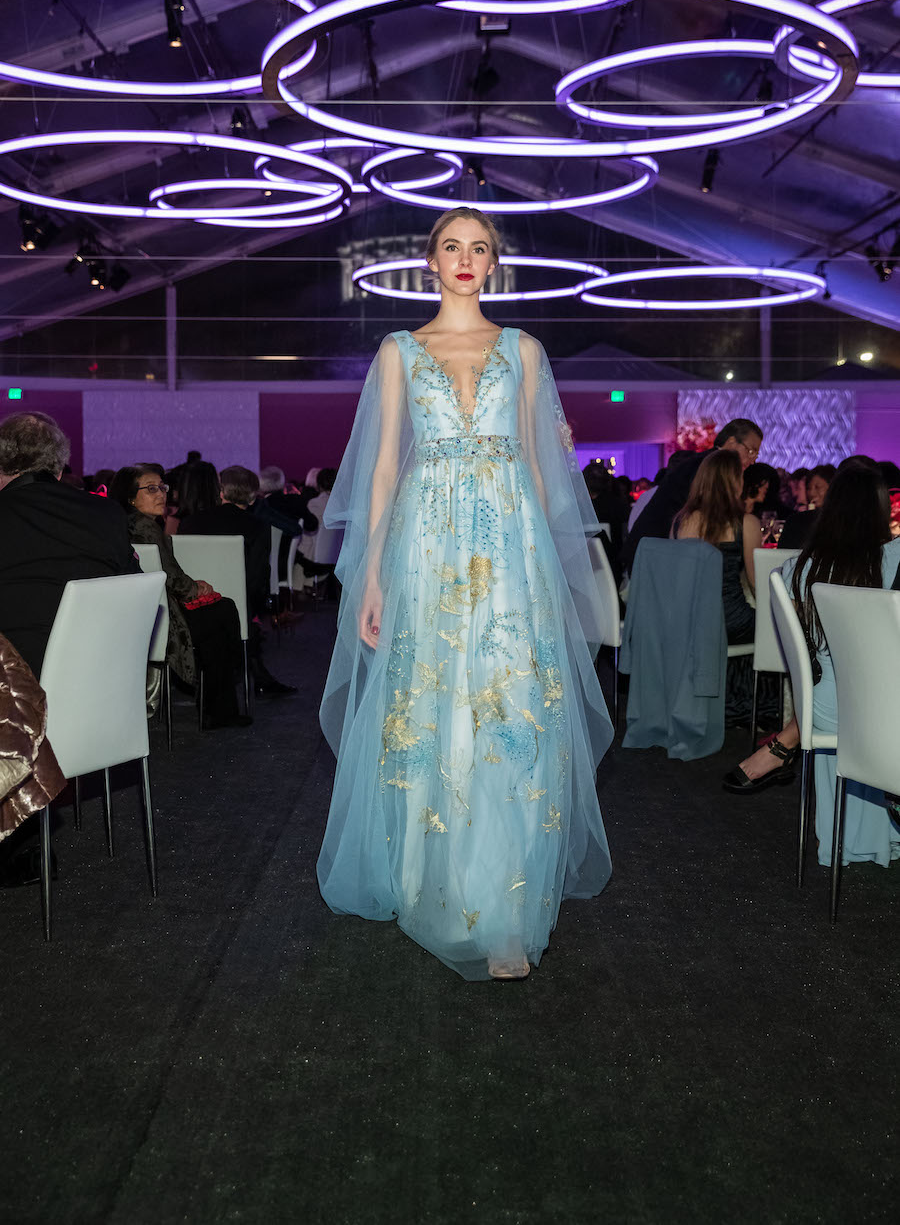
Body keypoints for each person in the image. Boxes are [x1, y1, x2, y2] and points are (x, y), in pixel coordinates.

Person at [317, 207, 612, 981]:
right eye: (452, 246)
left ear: (493, 263)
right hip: (427, 544)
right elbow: (384, 468)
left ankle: (503, 906)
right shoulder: (398, 350)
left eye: (479, 248)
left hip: (510, 545)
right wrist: (372, 574)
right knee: (433, 702)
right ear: (430, 260)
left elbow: (540, 465)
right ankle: (429, 881)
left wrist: (548, 567)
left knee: (509, 706)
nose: (465, 258)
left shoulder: (524, 349)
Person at [723, 465, 900, 878]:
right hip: (875, 712)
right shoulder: (894, 558)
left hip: (818, 708)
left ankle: (783, 746)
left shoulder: (796, 569)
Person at [0, 412, 138, 887]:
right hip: (95, 697)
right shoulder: (106, 514)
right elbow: (131, 592)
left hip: (13, 709)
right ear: (60, 466)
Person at [110, 463, 251, 729]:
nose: (161, 494)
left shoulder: (124, 525)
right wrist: (196, 588)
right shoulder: (145, 528)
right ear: (130, 497)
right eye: (151, 489)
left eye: (162, 487)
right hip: (161, 620)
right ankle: (220, 704)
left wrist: (192, 586)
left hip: (139, 614)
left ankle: (217, 705)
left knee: (216, 618)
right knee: (223, 612)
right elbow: (171, 578)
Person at [178, 465, 296, 696]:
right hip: (235, 607)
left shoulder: (190, 523)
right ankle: (257, 677)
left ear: (221, 491)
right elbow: (256, 580)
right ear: (253, 498)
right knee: (249, 608)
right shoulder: (257, 527)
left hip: (193, 605)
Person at [623, 418, 764, 572]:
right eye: (750, 451)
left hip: (656, 554)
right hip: (654, 560)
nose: (752, 461)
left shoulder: (701, 462)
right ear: (731, 442)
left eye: (756, 455)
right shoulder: (706, 469)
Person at [674, 448, 761, 644]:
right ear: (736, 482)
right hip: (730, 622)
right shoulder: (746, 524)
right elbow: (757, 585)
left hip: (688, 622)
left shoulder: (680, 521)